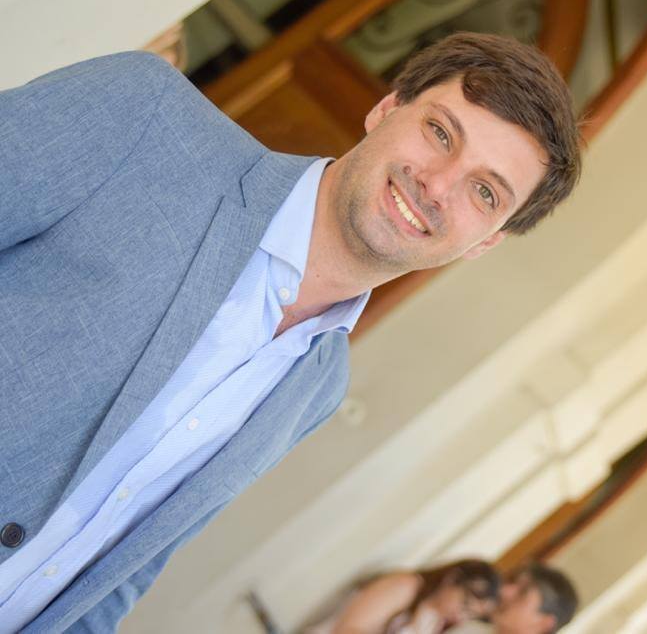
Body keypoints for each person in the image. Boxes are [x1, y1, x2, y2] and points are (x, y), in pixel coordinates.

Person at [0, 31, 581, 631]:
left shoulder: (320, 387)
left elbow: (124, 568)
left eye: (484, 192)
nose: (437, 183)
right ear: (386, 108)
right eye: (440, 132)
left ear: (486, 242)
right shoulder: (144, 114)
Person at [308, 558, 501, 633]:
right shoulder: (405, 585)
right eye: (464, 605)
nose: (460, 616)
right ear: (451, 579)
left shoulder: (433, 621)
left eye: (470, 614)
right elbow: (347, 628)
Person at [451, 563, 579, 634]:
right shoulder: (469, 627)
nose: (504, 591)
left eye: (523, 593)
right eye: (511, 581)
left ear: (543, 623)